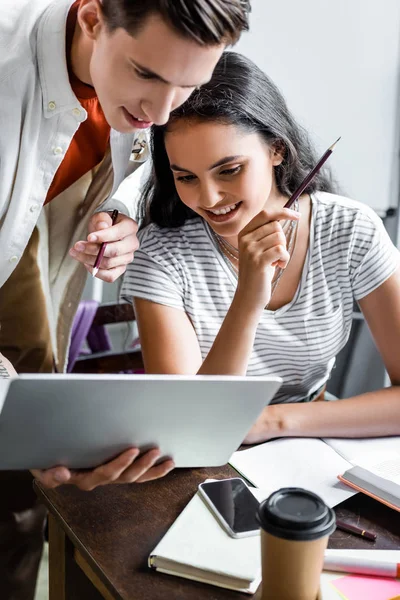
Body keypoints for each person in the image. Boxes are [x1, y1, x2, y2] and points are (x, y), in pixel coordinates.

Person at [0, 2, 250, 598]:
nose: (162, 113)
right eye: (146, 75)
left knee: (23, 473)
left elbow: (144, 163)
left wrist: (123, 213)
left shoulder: (176, 55)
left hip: (27, 254)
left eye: (187, 86)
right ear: (91, 18)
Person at [122, 51, 400, 444]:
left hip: (310, 437)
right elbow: (187, 422)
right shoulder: (159, 255)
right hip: (201, 448)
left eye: (229, 170)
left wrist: (272, 423)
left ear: (277, 149)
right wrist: (249, 296)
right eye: (186, 177)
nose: (210, 197)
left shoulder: (350, 229)